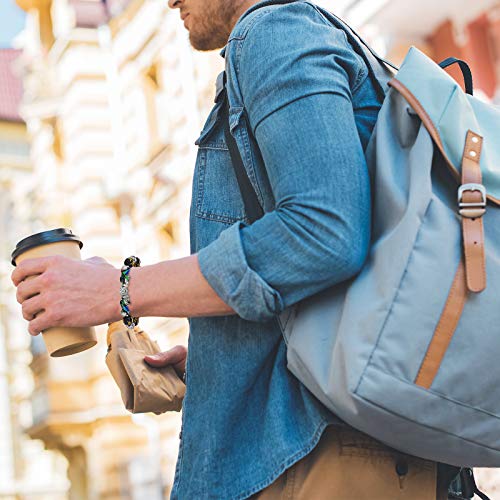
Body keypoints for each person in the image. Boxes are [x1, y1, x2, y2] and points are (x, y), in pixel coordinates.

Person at [12, 0, 448, 498]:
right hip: (332, 446)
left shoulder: (273, 34)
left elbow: (323, 231)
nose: (170, 1)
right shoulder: (297, 35)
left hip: (316, 456)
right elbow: (339, 268)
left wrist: (119, 290)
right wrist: (223, 361)